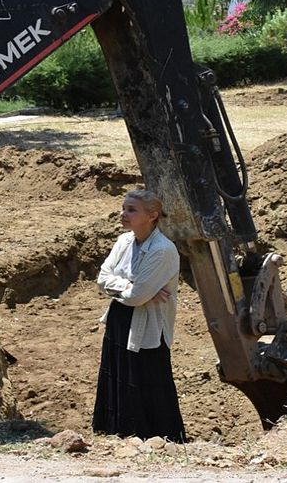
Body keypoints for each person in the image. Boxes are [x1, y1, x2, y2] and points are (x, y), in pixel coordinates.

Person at [93, 189, 186, 443]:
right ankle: (118, 437)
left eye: (132, 210)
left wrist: (134, 290)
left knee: (148, 383)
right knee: (119, 377)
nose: (123, 214)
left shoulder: (163, 250)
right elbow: (102, 279)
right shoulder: (124, 241)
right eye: (124, 208)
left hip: (148, 327)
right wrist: (133, 286)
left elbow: (136, 297)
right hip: (119, 318)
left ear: (153, 215)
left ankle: (160, 442)